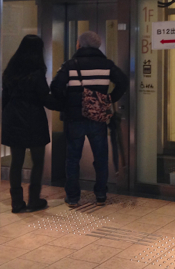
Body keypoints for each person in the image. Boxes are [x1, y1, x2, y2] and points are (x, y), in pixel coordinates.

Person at [51, 31, 129, 207]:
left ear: (79, 45)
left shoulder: (70, 65)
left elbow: (55, 86)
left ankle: (73, 197)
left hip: (74, 118)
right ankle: (101, 194)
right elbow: (123, 82)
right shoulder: (107, 65)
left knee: (73, 158)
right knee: (100, 157)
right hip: (97, 117)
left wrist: (66, 102)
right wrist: (109, 99)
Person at [2, 35, 61, 213]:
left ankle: (17, 202)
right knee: (37, 161)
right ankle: (34, 200)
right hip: (34, 119)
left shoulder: (10, 71)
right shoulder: (36, 73)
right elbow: (45, 99)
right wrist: (64, 104)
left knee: (16, 162)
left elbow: (4, 98)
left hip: (13, 119)